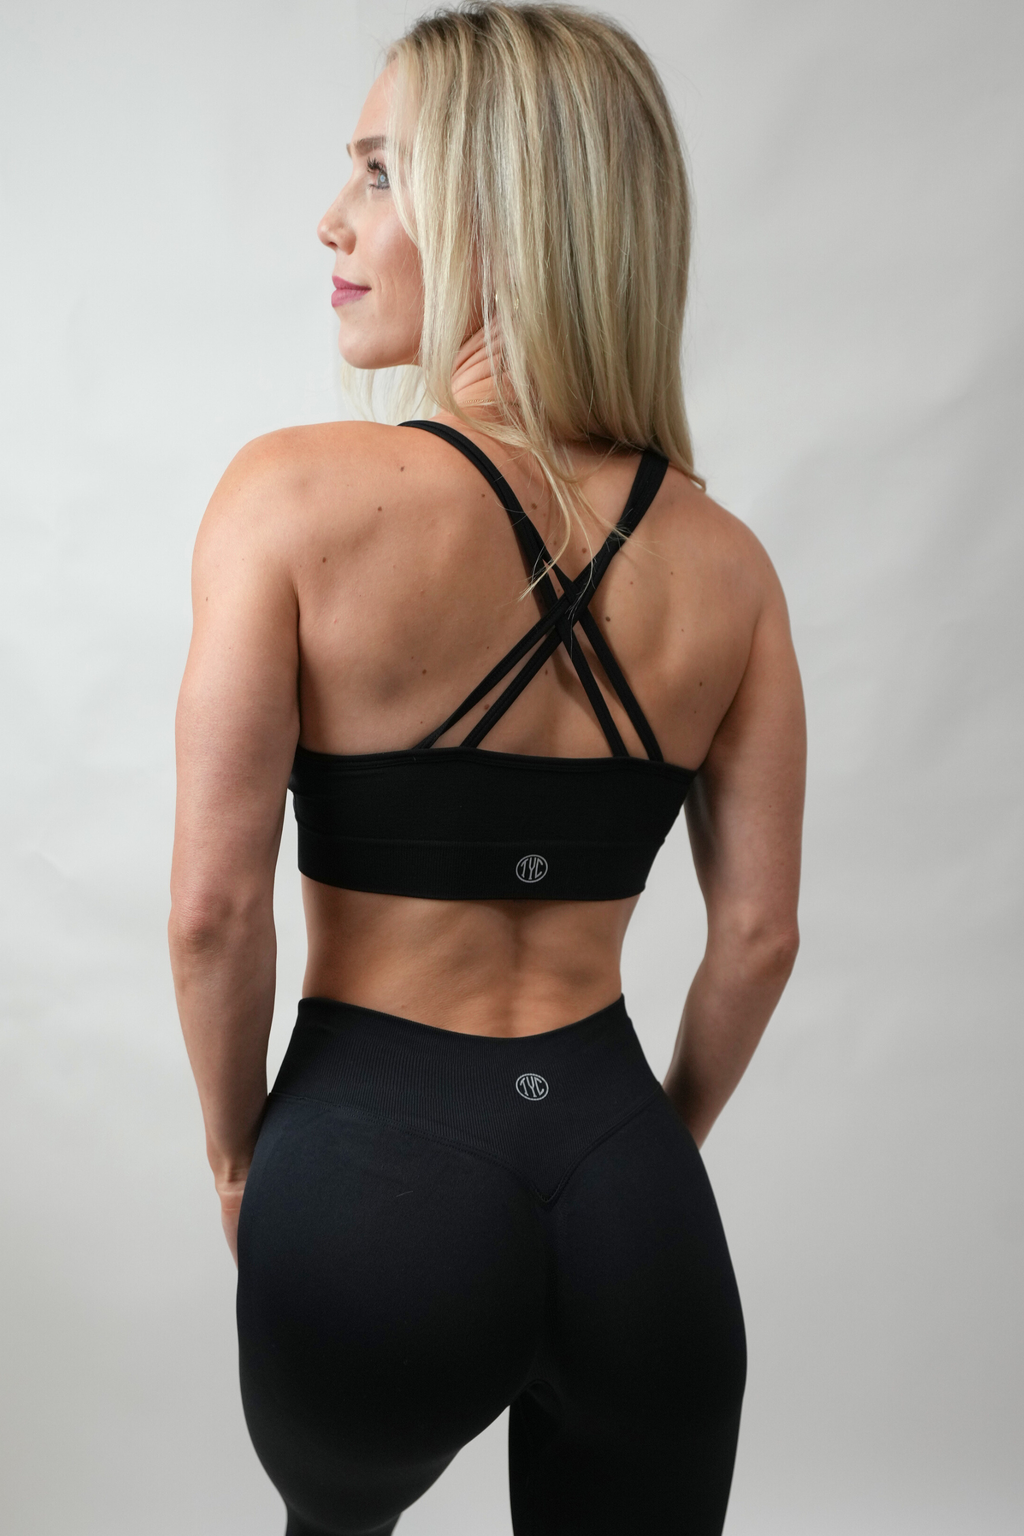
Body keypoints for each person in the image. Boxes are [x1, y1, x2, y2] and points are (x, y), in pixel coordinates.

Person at [168, 5, 806, 1534]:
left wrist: (241, 1160)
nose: (334, 219)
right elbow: (759, 939)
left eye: (382, 171)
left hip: (366, 1180)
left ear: (504, 209)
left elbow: (212, 912)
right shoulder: (731, 567)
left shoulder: (293, 495)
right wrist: (643, 1152)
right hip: (631, 1193)